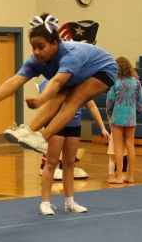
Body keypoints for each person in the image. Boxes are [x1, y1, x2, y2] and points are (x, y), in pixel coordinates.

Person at [0, 14, 118, 154]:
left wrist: (40, 100)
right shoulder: (35, 60)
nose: (36, 52)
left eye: (41, 47)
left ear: (54, 44)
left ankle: (42, 138)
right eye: (33, 47)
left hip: (104, 69)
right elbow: (16, 80)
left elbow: (57, 82)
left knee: (74, 99)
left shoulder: (70, 55)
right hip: (79, 72)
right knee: (58, 96)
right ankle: (29, 131)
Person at [38, 79, 106, 215]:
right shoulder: (49, 82)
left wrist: (102, 127)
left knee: (69, 163)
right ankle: (45, 202)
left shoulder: (79, 82)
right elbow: (44, 107)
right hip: (56, 125)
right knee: (51, 163)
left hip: (74, 124)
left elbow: (91, 105)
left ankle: (69, 201)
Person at [105, 57, 142, 184]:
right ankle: (131, 175)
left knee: (118, 147)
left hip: (117, 117)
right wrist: (136, 111)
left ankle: (120, 176)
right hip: (131, 117)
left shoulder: (115, 82)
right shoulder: (136, 82)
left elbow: (110, 100)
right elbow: (141, 101)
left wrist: (109, 113)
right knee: (130, 145)